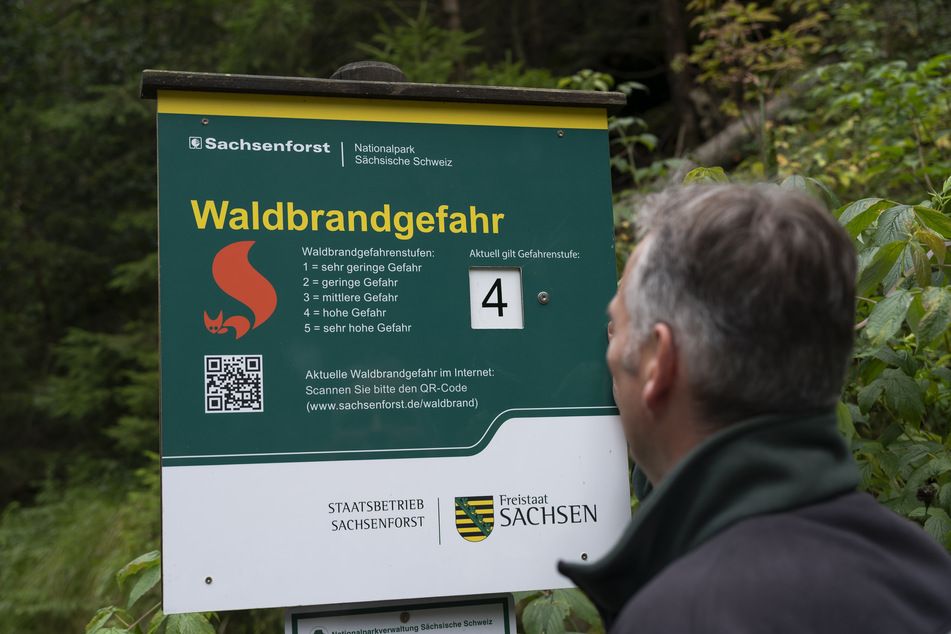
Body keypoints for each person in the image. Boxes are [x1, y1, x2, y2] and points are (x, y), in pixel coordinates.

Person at [559, 184, 951, 633]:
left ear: (657, 362)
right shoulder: (926, 576)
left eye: (619, 328)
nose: (611, 348)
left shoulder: (677, 615)